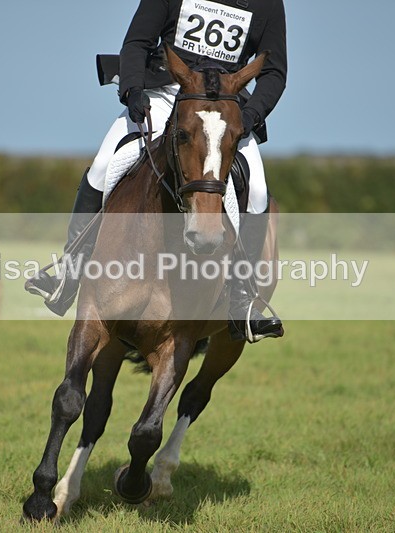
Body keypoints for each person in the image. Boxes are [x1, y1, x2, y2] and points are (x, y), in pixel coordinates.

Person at [26, 0, 287, 342]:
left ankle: (242, 300)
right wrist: (132, 89)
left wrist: (248, 117)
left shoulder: (267, 3)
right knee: (105, 166)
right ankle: (69, 271)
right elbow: (137, 42)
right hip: (165, 94)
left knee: (256, 192)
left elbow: (274, 71)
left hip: (224, 108)